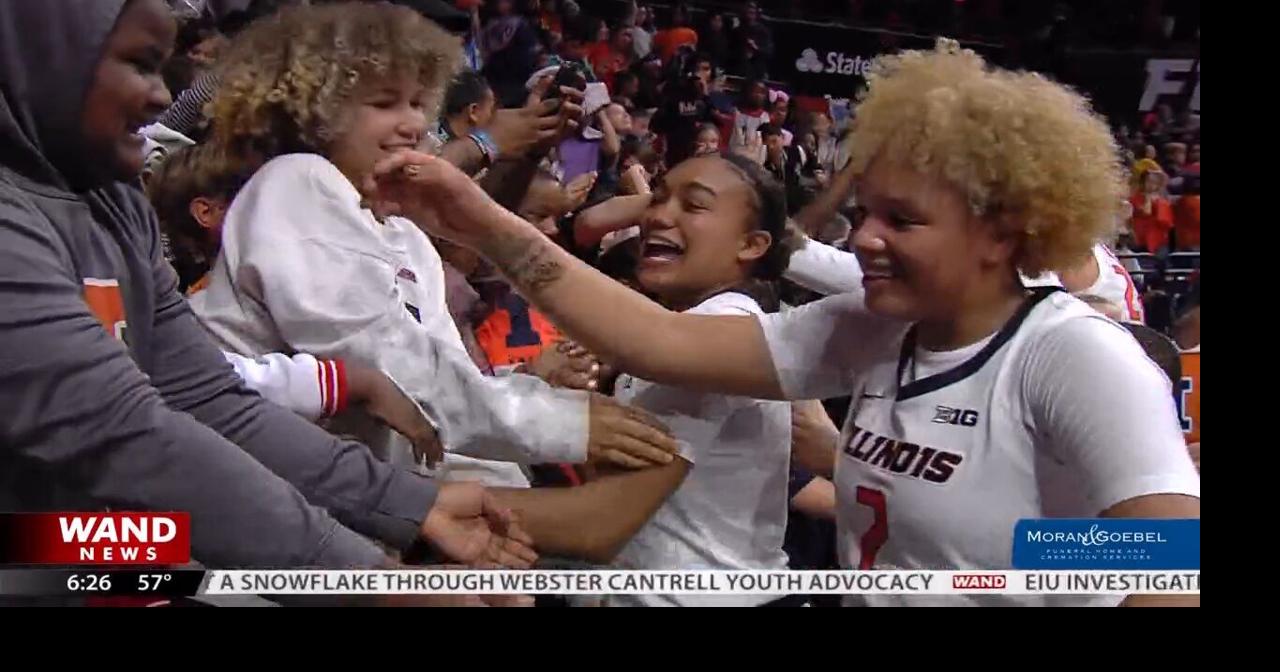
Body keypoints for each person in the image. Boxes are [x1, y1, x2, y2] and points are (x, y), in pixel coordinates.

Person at [366, 39, 1201, 607]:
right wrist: (478, 219)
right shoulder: (872, 330)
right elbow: (655, 341)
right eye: (866, 213)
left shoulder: (1074, 355)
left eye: (900, 222)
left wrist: (1030, 558)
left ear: (1002, 233)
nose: (863, 239)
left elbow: (1173, 559)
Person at [0, 0, 532, 573]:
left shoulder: (113, 199)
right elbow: (119, 433)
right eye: (138, 64)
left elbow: (207, 396)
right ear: (48, 55)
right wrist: (366, 579)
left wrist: (403, 504)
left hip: (98, 544)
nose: (160, 97)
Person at [190, 2, 678, 488]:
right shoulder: (295, 182)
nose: (413, 125)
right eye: (384, 103)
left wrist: (517, 487)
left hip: (345, 492)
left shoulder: (405, 235)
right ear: (315, 110)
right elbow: (386, 370)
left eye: (419, 103)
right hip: (241, 488)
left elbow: (448, 400)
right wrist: (566, 425)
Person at [486, 155, 799, 606]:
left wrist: (420, 499)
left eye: (693, 206)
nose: (658, 215)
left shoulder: (714, 330)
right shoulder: (688, 327)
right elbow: (620, 490)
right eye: (658, 197)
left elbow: (596, 524)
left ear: (751, 244)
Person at [434, 69, 497, 145]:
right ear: (473, 111)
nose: (493, 116)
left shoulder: (432, 131)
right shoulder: (437, 148)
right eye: (491, 110)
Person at [1131, 168, 1173, 254]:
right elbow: (1146, 212)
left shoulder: (1163, 202)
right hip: (1138, 240)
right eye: (1149, 181)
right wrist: (1148, 198)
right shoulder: (1135, 199)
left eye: (1155, 182)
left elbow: (1166, 222)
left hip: (1158, 241)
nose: (1152, 185)